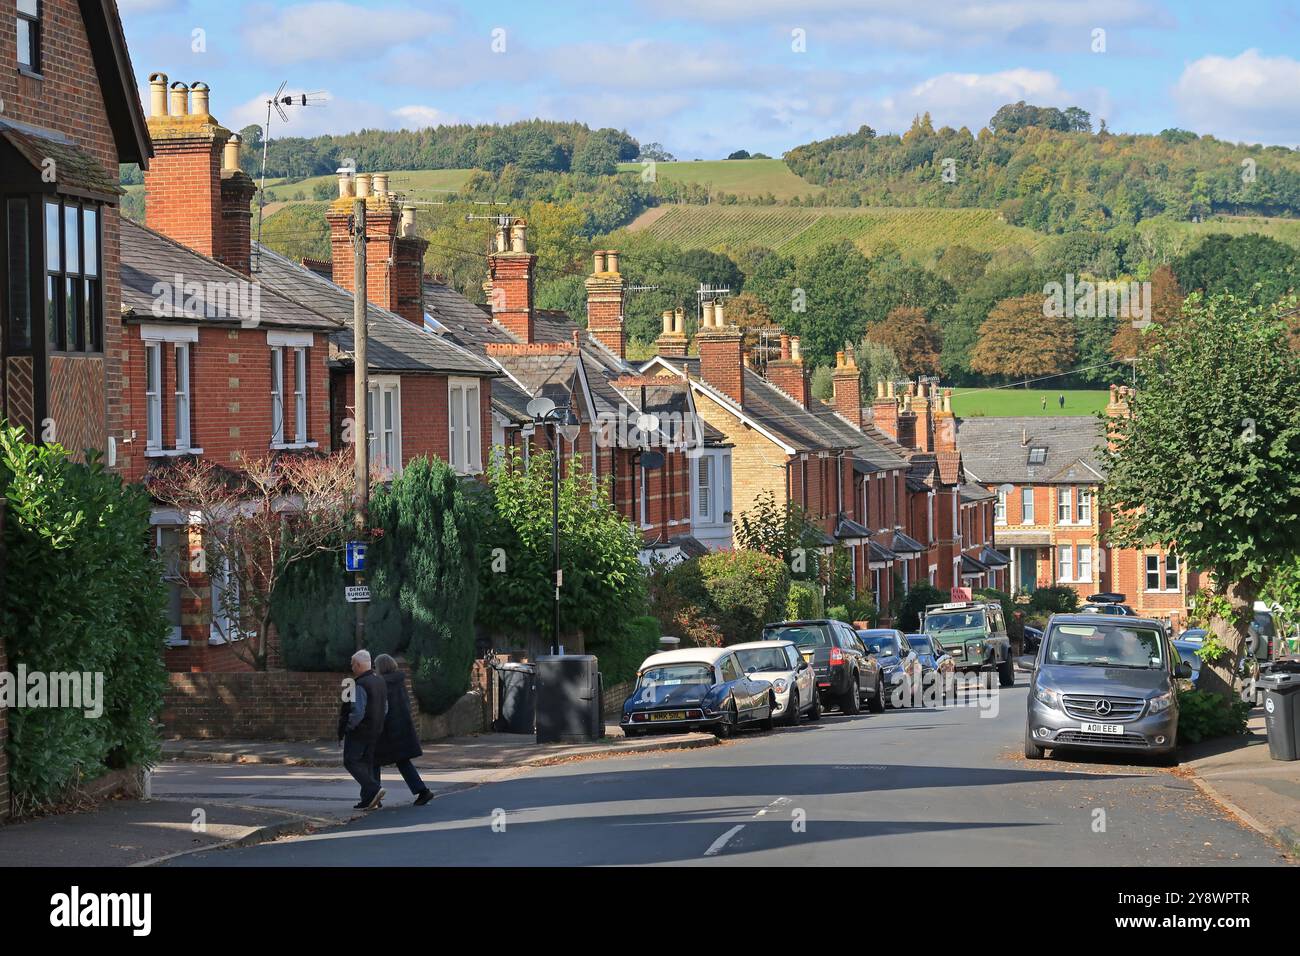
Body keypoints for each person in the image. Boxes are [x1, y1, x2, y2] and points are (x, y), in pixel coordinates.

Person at [371, 654, 433, 806]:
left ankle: (373, 795)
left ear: (380, 667)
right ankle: (422, 791)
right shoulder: (399, 681)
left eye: (375, 666)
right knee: (403, 761)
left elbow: (381, 708)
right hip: (402, 727)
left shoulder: (381, 683)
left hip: (387, 730)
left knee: (373, 760)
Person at [339, 649, 387, 810]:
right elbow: (385, 708)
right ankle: (370, 800)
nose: (351, 667)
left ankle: (373, 789)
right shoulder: (379, 681)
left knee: (350, 761)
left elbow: (357, 711)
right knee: (368, 763)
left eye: (353, 664)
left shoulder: (359, 684)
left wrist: (348, 727)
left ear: (358, 665)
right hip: (376, 729)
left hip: (360, 730)